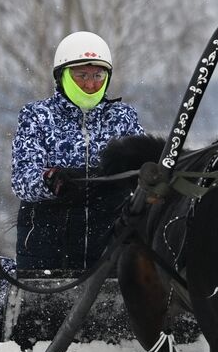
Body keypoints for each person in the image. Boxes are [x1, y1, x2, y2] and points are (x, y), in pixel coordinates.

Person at [11, 31, 145, 272]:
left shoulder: (124, 117)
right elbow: (22, 178)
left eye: (98, 75)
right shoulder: (37, 115)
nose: (91, 84)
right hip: (46, 249)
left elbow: (143, 174)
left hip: (110, 250)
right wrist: (51, 181)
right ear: (62, 76)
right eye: (81, 75)